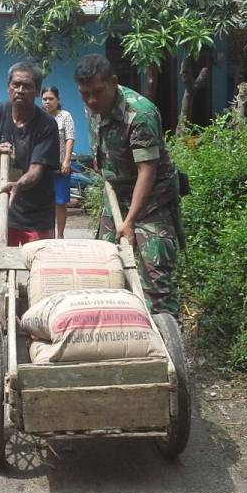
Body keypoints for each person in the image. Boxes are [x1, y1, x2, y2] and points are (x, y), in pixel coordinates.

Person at [74, 54, 182, 316]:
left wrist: (130, 221)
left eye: (97, 92)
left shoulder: (140, 114)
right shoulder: (92, 107)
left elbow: (147, 172)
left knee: (156, 282)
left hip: (151, 203)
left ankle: (164, 336)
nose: (91, 100)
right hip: (116, 197)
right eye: (85, 94)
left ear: (114, 82)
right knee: (106, 269)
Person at [0, 62, 60, 297]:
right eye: (16, 85)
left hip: (36, 213)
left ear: (37, 91)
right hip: (3, 208)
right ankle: (2, 310)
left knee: (41, 272)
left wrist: (19, 184)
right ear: (8, 87)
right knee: (1, 267)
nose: (20, 90)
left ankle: (39, 311)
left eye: (27, 86)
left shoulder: (47, 125)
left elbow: (36, 171)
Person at [41, 86, 76, 238]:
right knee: (44, 202)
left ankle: (60, 235)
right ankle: (46, 235)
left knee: (60, 202)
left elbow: (70, 138)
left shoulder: (65, 116)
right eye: (44, 99)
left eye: (51, 98)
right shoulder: (39, 117)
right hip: (43, 167)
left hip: (61, 167)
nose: (47, 102)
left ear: (58, 100)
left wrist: (67, 161)